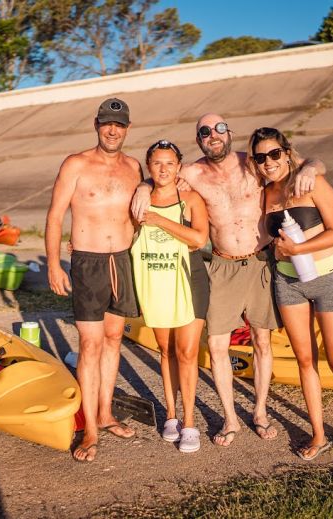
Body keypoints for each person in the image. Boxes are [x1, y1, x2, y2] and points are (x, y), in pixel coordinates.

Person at [132, 113, 325, 447]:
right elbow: (161, 173)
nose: (213, 135)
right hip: (222, 265)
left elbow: (310, 161)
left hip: (260, 261)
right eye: (205, 131)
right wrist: (141, 186)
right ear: (199, 140)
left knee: (262, 340)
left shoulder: (253, 163)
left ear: (229, 133)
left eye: (219, 128)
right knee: (218, 346)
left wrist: (309, 168)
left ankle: (260, 411)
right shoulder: (192, 172)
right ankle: (230, 419)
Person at [250, 127, 333, 467]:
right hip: (289, 284)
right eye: (261, 157)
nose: (268, 162)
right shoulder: (266, 193)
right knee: (305, 361)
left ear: (286, 153)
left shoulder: (311, 182)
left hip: (328, 278)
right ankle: (318, 433)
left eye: (274, 154)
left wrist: (298, 248)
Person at [45, 98, 143, 462]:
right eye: (106, 124)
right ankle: (89, 429)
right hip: (87, 263)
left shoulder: (134, 167)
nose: (112, 130)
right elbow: (55, 217)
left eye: (119, 124)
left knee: (114, 338)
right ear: (97, 125)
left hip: (123, 260)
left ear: (127, 128)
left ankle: (105, 412)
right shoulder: (76, 164)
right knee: (90, 345)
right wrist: (54, 264)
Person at [131, 139, 209, 453]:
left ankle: (190, 423)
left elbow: (200, 238)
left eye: (169, 163)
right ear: (149, 167)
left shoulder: (190, 198)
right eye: (157, 163)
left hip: (189, 280)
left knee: (188, 352)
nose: (163, 169)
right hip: (155, 280)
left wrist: (160, 219)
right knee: (166, 351)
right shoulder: (139, 198)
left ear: (179, 166)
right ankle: (172, 415)